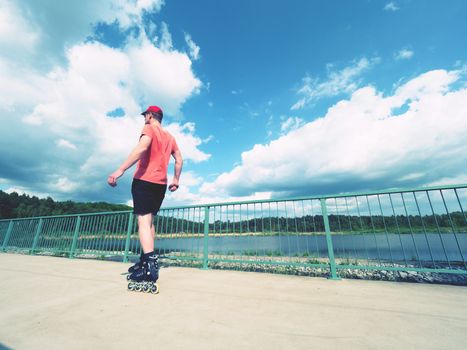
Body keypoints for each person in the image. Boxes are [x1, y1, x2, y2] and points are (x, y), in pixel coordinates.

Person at [107, 105, 182, 292]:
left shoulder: (149, 128)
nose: (144, 119)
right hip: (161, 184)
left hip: (144, 180)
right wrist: (175, 180)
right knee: (150, 222)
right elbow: (179, 159)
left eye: (145, 116)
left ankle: (150, 264)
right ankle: (144, 260)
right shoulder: (170, 137)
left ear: (150, 115)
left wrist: (121, 169)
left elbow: (142, 147)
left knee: (143, 220)